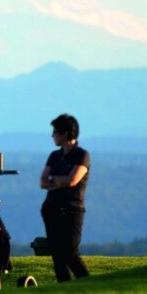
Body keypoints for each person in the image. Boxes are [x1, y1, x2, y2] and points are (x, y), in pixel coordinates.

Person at [40, 114, 90, 282]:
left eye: (55, 132)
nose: (52, 136)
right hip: (51, 208)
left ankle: (87, 284)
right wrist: (60, 180)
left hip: (72, 209)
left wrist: (54, 180)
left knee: (70, 253)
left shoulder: (82, 155)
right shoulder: (54, 156)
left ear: (65, 134)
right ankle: (65, 288)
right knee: (57, 256)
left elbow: (73, 180)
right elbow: (43, 182)